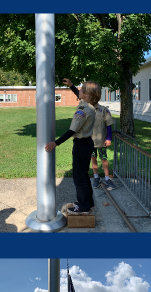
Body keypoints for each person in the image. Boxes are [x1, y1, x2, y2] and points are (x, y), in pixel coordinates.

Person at [45, 81, 100, 214]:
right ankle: (88, 203)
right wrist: (71, 86)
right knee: (84, 175)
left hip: (81, 146)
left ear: (86, 95)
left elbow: (72, 131)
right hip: (87, 144)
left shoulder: (83, 111)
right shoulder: (90, 105)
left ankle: (83, 207)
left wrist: (55, 143)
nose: (79, 91)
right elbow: (80, 95)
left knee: (79, 178)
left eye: (81, 90)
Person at [62, 78, 116, 190]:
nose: (82, 93)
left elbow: (109, 124)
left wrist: (109, 138)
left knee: (104, 159)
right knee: (93, 159)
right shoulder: (85, 105)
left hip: (101, 141)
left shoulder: (103, 110)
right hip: (90, 141)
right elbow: (80, 93)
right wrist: (71, 85)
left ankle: (107, 178)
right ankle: (96, 177)